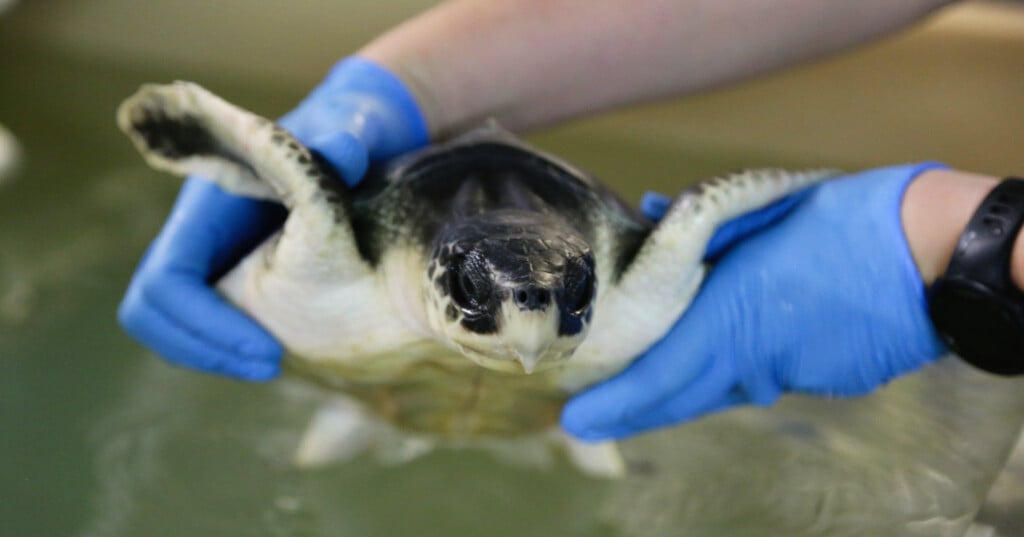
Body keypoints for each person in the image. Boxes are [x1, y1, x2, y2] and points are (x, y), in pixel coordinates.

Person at [118, 0, 1023, 441]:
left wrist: (968, 241)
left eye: (564, 298)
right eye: (487, 299)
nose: (529, 330)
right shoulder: (352, 246)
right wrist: (411, 85)